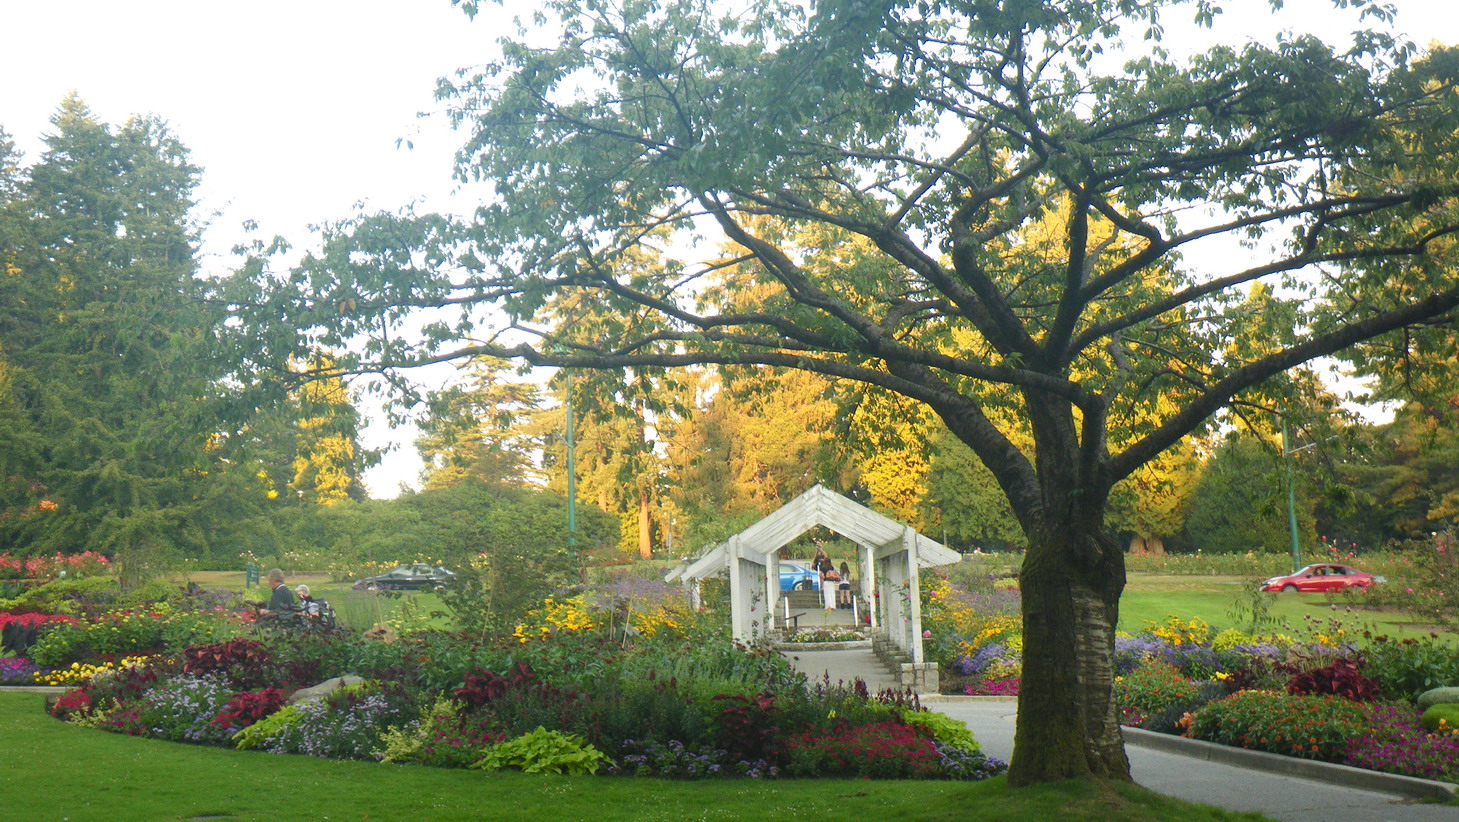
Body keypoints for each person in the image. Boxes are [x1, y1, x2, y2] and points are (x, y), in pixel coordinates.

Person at [812, 546, 836, 610]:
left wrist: (819, 550)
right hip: (831, 581)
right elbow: (826, 556)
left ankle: (828, 606)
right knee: (832, 594)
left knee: (827, 594)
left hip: (826, 581)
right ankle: (833, 605)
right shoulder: (832, 567)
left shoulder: (823, 568)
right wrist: (821, 550)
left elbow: (821, 575)